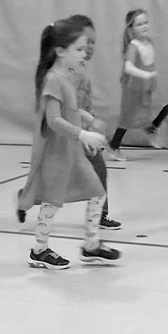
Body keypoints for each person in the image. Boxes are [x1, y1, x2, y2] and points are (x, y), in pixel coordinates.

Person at [16, 17, 121, 269]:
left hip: (72, 151)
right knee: (52, 202)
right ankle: (39, 250)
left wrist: (87, 120)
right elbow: (53, 120)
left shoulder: (67, 77)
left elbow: (69, 110)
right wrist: (82, 135)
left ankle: (91, 245)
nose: (85, 54)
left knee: (97, 192)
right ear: (61, 50)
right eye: (80, 49)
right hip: (57, 153)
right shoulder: (53, 79)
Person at [69, 14, 121, 230]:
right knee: (54, 178)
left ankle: (99, 215)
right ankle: (26, 199)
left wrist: (93, 125)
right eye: (86, 42)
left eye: (93, 42)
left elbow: (84, 102)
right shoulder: (70, 71)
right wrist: (89, 120)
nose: (90, 47)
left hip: (83, 131)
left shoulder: (81, 68)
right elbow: (68, 106)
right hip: (70, 131)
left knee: (98, 169)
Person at [104, 9, 168, 160]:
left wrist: (150, 75)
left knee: (163, 106)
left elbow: (149, 62)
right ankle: (113, 147)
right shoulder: (133, 46)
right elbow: (128, 67)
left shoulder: (149, 41)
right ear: (131, 29)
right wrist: (145, 74)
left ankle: (151, 128)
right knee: (128, 118)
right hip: (134, 86)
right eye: (139, 24)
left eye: (145, 22)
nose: (144, 26)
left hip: (148, 84)